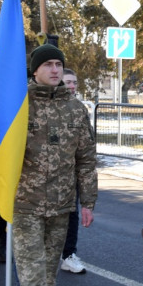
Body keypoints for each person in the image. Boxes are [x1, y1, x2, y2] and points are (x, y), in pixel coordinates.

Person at [12, 44, 97, 286]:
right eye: (47, 64)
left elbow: (86, 159)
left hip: (62, 206)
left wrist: (87, 200)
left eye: (58, 64)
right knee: (32, 274)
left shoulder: (76, 109)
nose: (55, 69)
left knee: (47, 277)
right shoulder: (20, 105)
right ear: (34, 70)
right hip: (25, 204)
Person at [59, 67, 88, 274]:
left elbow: (87, 148)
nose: (71, 86)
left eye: (74, 82)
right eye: (67, 82)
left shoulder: (79, 109)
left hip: (71, 174)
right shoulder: (43, 107)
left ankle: (68, 254)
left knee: (72, 215)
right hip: (45, 179)